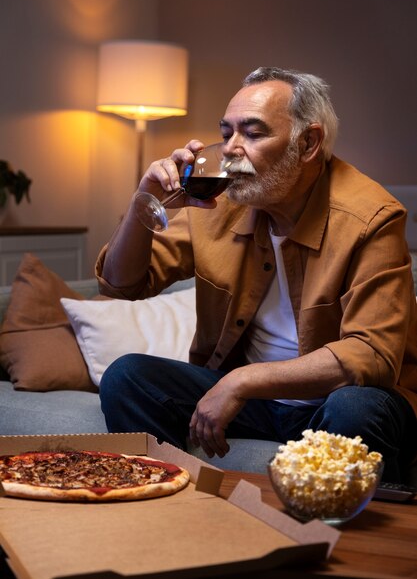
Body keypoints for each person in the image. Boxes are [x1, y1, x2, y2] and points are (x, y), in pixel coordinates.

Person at [96, 66, 417, 483]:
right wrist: (145, 201)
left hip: (336, 401)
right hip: (258, 406)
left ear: (308, 143)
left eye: (252, 133)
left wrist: (241, 381)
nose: (230, 148)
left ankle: (343, 536)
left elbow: (372, 355)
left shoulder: (370, 218)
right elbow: (121, 284)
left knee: (355, 409)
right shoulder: (223, 201)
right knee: (128, 377)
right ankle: (171, 504)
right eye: (226, 131)